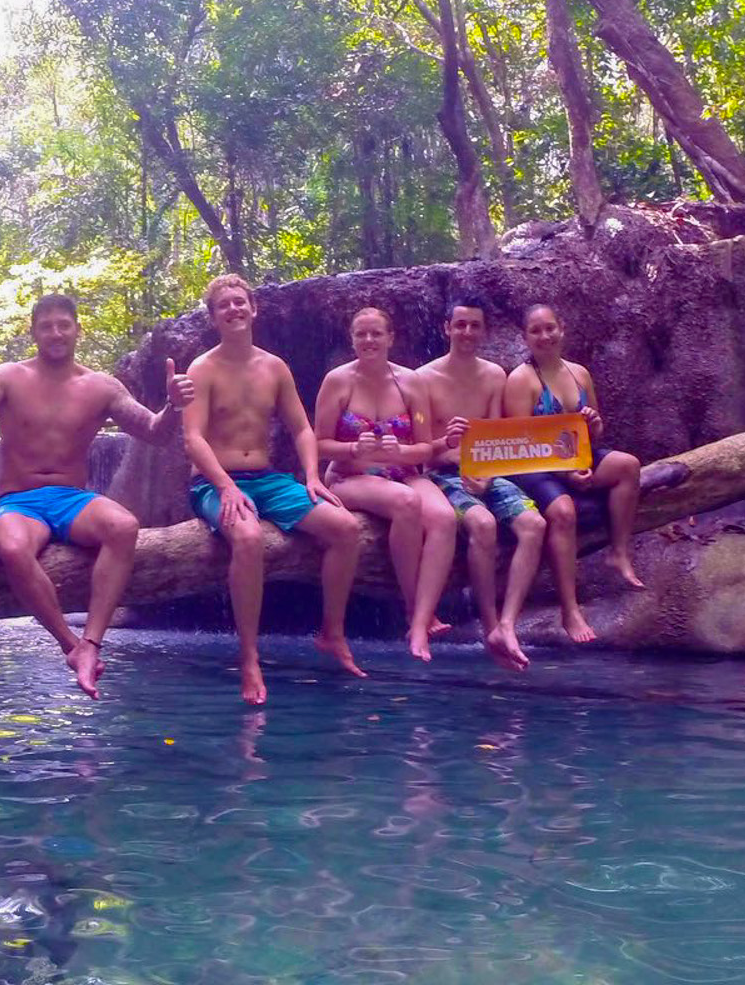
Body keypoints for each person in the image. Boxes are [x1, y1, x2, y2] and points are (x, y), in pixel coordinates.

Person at [0, 293, 196, 697]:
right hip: (19, 501)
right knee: (12, 547)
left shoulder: (101, 386)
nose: (55, 332)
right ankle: (69, 645)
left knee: (124, 526)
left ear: (77, 329)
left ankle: (91, 641)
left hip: (73, 500)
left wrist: (174, 407)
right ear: (33, 332)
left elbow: (155, 432)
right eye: (46, 326)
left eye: (63, 324)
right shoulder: (7, 377)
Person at [182, 272, 366, 705]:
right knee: (247, 537)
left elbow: (302, 429)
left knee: (344, 529)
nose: (233, 309)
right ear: (213, 317)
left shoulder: (274, 367)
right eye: (223, 305)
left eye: (239, 302)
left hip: (268, 481)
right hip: (213, 483)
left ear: (253, 308)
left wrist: (313, 477)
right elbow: (193, 438)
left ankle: (332, 632)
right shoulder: (202, 369)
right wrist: (225, 487)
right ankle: (249, 656)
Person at [312, 306, 461, 662]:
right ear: (352, 339)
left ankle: (423, 621)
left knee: (445, 519)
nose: (369, 340)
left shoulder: (412, 382)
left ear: (390, 338)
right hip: (351, 477)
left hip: (404, 472)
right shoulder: (337, 381)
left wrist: (403, 452)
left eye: (376, 333)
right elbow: (317, 443)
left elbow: (425, 446)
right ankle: (413, 612)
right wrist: (352, 447)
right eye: (361, 334)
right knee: (406, 504)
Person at [505, 302, 647, 642]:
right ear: (526, 338)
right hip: (535, 466)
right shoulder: (520, 380)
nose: (544, 336)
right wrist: (568, 476)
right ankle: (570, 609)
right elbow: (520, 444)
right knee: (564, 511)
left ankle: (619, 552)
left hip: (577, 457)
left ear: (561, 329)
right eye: (536, 331)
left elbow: (594, 432)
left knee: (628, 465)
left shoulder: (579, 373)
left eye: (549, 328)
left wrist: (594, 424)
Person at [418, 299, 546, 670]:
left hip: (488, 473)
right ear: (447, 328)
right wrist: (447, 444)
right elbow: (421, 451)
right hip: (441, 475)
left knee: (534, 525)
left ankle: (508, 624)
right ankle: (490, 625)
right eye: (461, 325)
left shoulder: (494, 376)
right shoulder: (423, 379)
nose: (468, 333)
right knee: (483, 524)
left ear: (484, 330)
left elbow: (495, 439)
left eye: (475, 325)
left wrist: (486, 473)